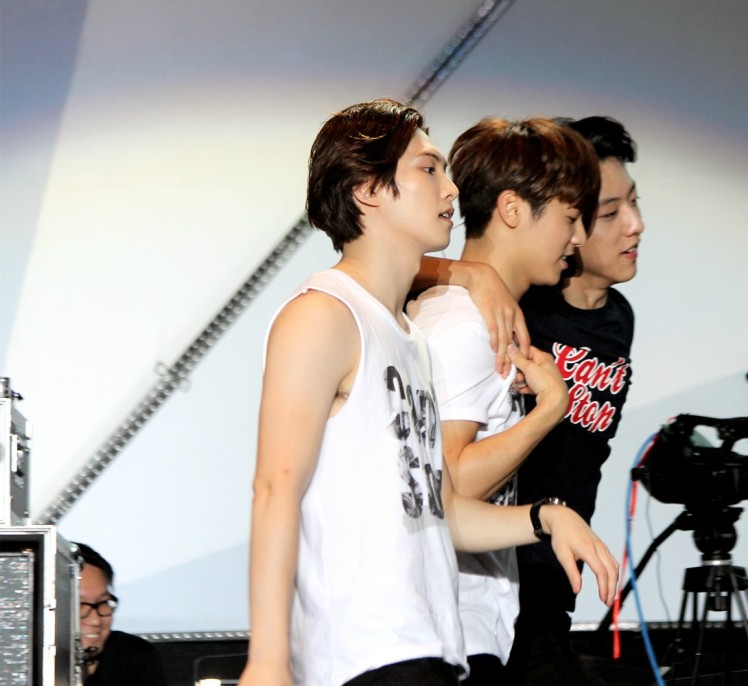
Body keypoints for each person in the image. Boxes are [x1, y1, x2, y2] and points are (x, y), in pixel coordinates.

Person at [238, 99, 617, 686]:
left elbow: (437, 511)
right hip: (363, 653)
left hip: (431, 647)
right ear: (368, 190)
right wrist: (266, 662)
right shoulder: (322, 316)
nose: (451, 189)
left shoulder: (409, 337)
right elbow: (274, 488)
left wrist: (546, 518)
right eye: (428, 169)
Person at [407, 117, 602, 685]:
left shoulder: (470, 313)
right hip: (453, 636)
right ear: (513, 209)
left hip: (469, 630)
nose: (579, 238)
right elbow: (451, 486)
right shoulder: (467, 326)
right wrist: (550, 411)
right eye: (570, 217)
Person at [507, 116, 645, 685]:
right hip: (497, 575)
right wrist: (469, 276)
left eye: (634, 203)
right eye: (610, 214)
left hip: (555, 585)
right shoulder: (519, 301)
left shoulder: (619, 319)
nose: (636, 225)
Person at [74, 542, 167, 685]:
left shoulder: (136, 658)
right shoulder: (35, 663)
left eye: (103, 602)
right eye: (81, 605)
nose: (95, 620)